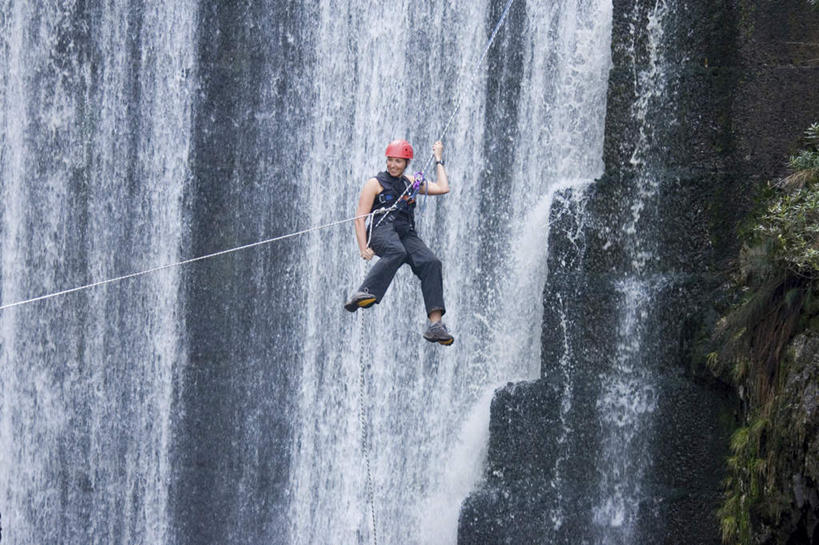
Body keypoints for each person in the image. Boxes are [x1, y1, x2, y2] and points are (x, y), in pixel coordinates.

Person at [344, 139, 454, 346]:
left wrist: (438, 159)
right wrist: (363, 247)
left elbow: (443, 187)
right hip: (381, 231)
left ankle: (436, 325)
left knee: (432, 262)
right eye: (390, 160)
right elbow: (360, 218)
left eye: (398, 162)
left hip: (405, 233)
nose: (393, 165)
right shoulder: (374, 183)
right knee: (397, 251)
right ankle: (364, 292)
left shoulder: (410, 183)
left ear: (406, 163)